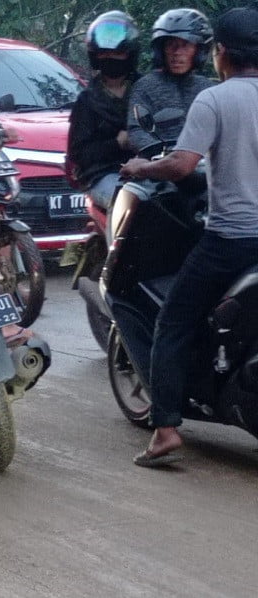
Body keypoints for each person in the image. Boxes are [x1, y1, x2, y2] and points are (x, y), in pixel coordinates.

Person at [120, 4, 258, 467]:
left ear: (218, 53)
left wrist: (142, 165)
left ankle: (164, 430)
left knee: (172, 322)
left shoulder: (214, 99)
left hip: (230, 240)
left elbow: (181, 164)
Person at [68, 11, 140, 211]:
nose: (111, 58)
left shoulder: (146, 90)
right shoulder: (87, 101)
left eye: (118, 53)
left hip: (149, 170)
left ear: (130, 54)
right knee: (129, 203)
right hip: (103, 174)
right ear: (95, 57)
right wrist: (117, 143)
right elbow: (79, 154)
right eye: (105, 54)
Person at [127, 8, 214, 154]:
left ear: (199, 51)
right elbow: (136, 130)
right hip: (159, 164)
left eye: (185, 45)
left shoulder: (208, 89)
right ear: (160, 51)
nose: (177, 52)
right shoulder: (145, 86)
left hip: (204, 163)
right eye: (170, 45)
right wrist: (158, 151)